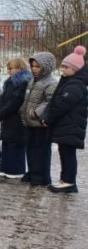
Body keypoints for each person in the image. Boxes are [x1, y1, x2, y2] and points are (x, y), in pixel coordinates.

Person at [45, 46, 88, 194]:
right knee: (64, 152)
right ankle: (65, 180)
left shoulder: (76, 85)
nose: (62, 69)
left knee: (68, 154)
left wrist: (49, 118)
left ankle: (69, 181)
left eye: (66, 67)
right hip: (66, 125)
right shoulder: (69, 81)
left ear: (75, 69)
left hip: (71, 125)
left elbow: (62, 105)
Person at [22, 52, 58, 187]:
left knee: (41, 150)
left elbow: (50, 101)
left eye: (37, 66)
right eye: (33, 66)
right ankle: (32, 171)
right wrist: (23, 110)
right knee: (30, 148)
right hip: (29, 122)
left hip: (40, 123)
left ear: (46, 67)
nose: (34, 69)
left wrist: (37, 113)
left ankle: (41, 176)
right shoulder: (33, 81)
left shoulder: (51, 83)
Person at [0, 58, 32, 179]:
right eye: (8, 68)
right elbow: (3, 98)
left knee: (15, 142)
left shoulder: (23, 82)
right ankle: (5, 166)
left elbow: (16, 100)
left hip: (16, 117)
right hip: (7, 116)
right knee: (6, 141)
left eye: (11, 68)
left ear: (20, 68)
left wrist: (3, 111)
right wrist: (0, 111)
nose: (9, 71)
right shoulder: (9, 81)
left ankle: (16, 169)